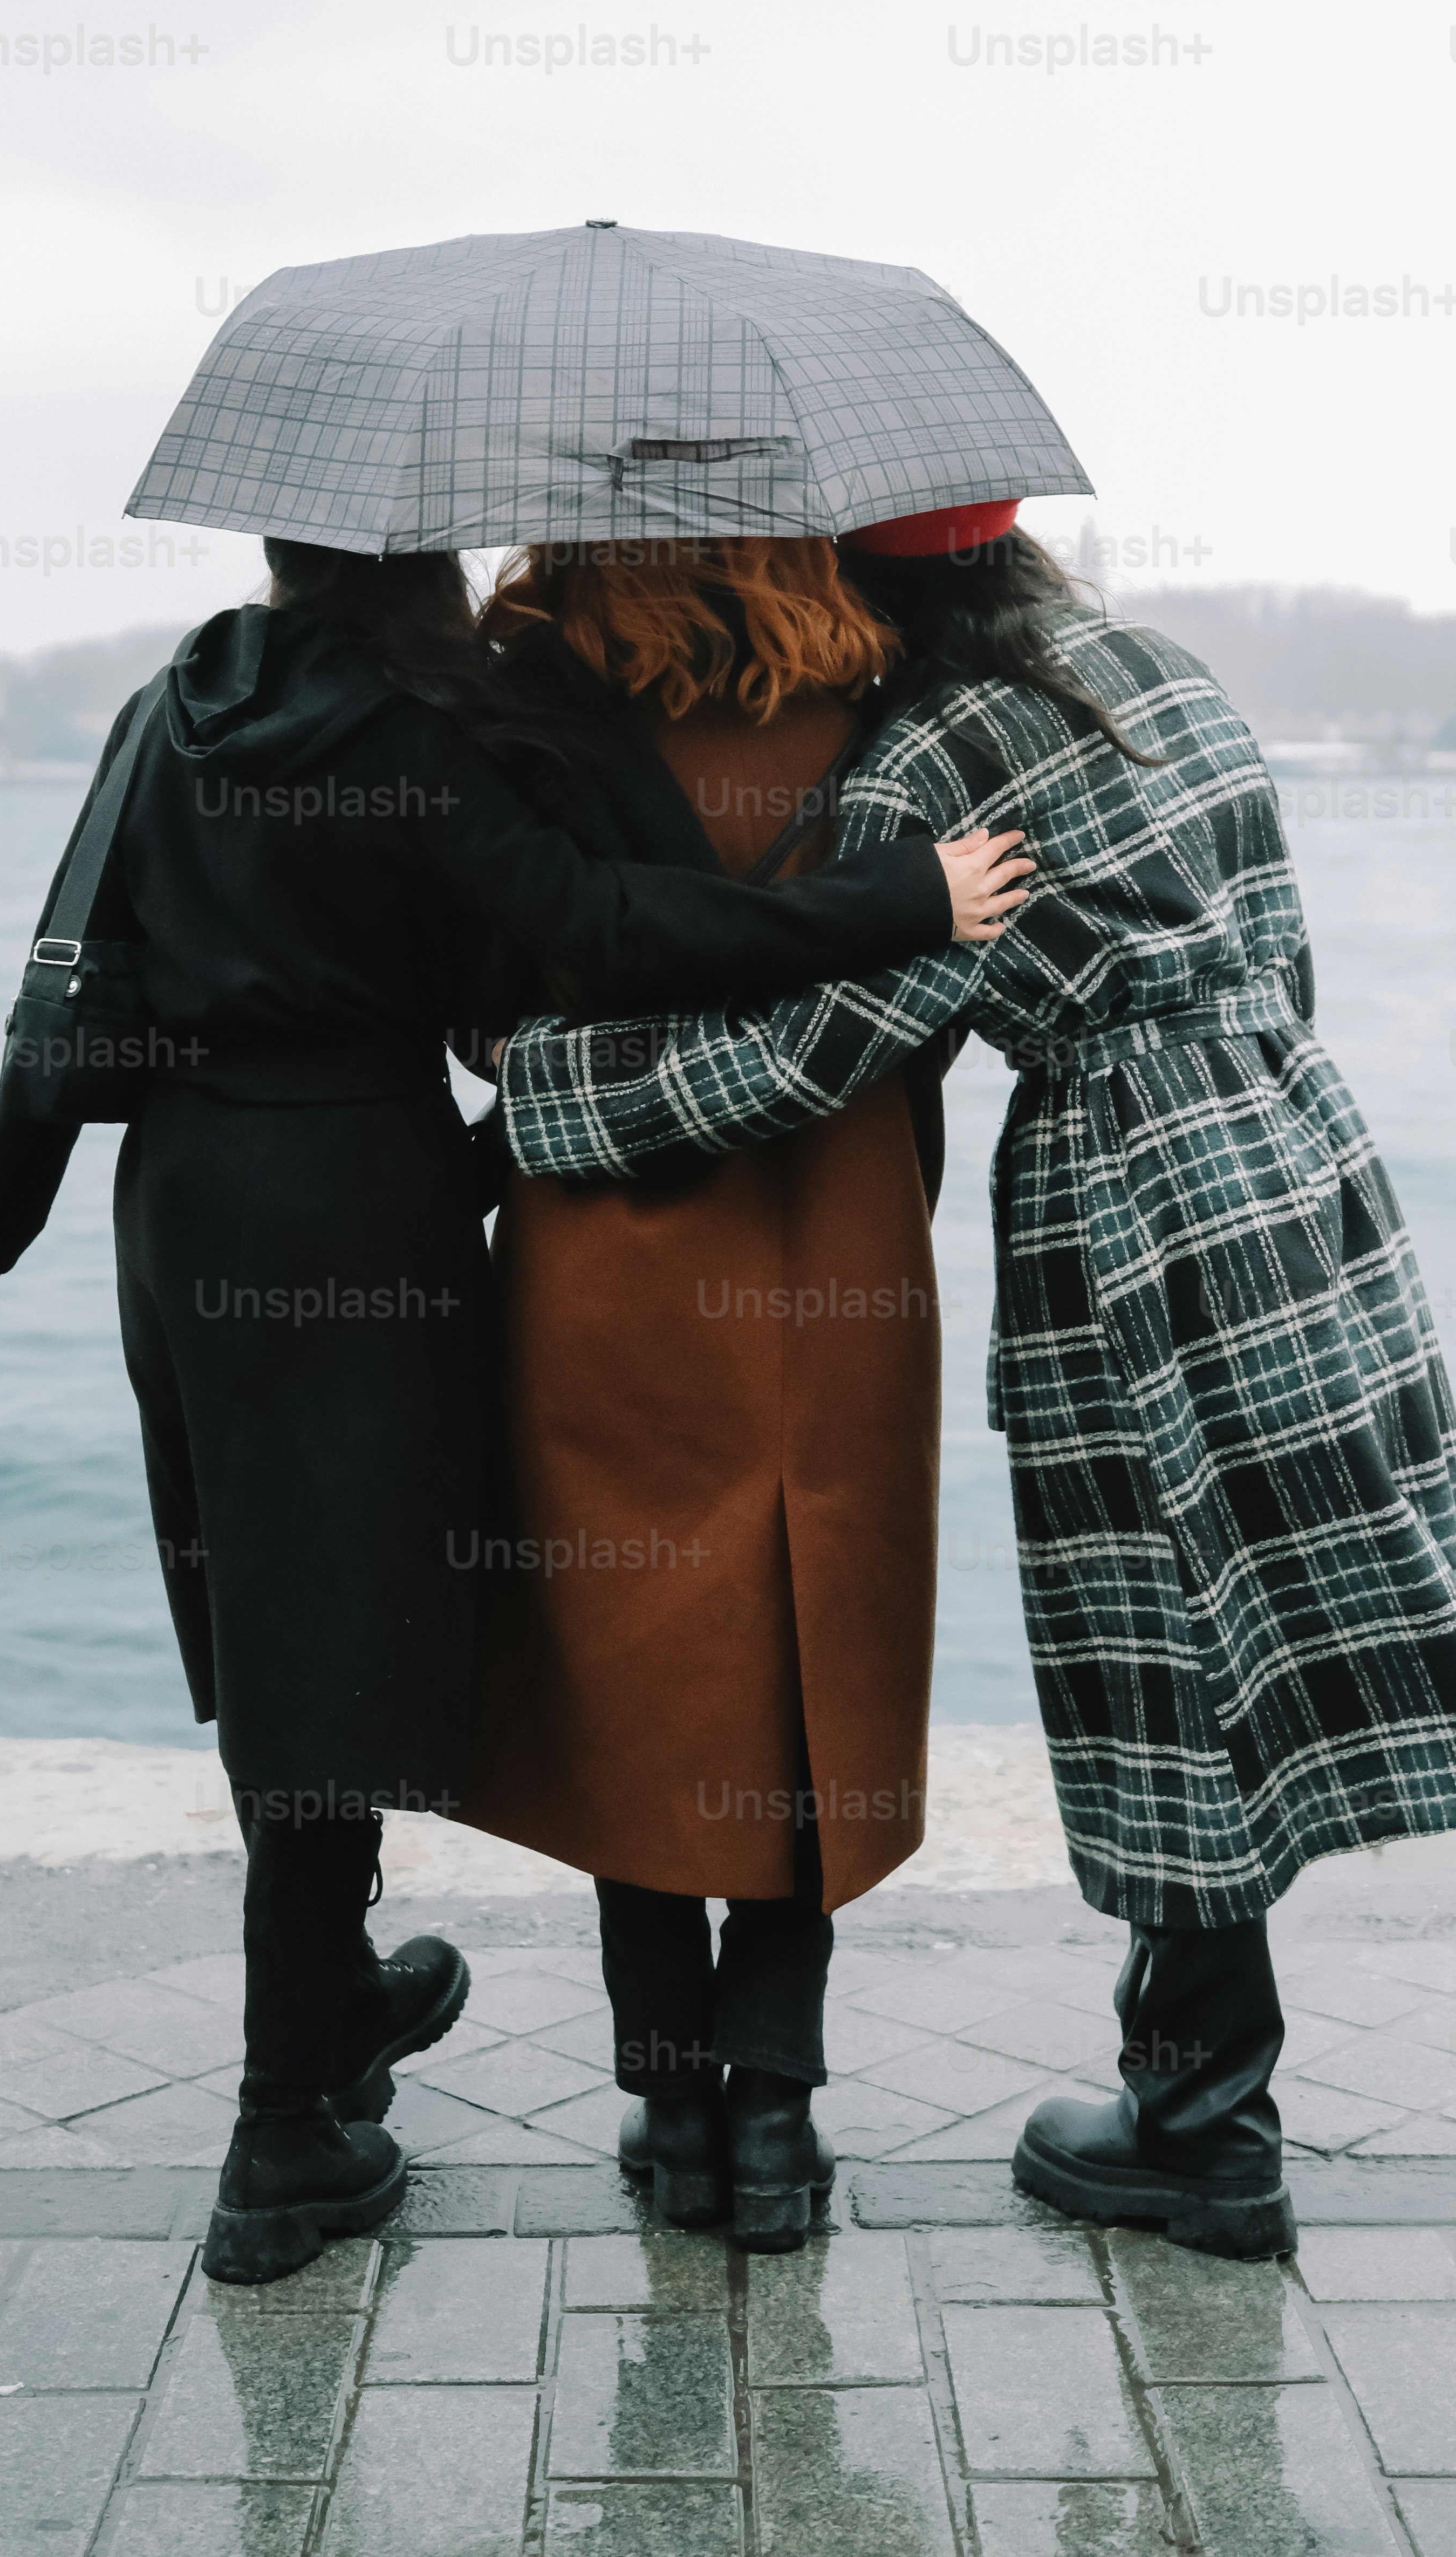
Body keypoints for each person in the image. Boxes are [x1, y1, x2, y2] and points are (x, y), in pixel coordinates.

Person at [0, 538, 1026, 2282]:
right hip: (604, 1206)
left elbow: (142, 962)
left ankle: (509, 2069)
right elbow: (668, 942)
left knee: (460, 1636)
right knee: (681, 1630)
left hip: (381, 1216)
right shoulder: (753, 711)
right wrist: (898, 910)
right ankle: (633, 2113)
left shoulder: (315, 703)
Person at [495, 505, 1456, 2262]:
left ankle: (1206, 2132)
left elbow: (823, 1045)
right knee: (1257, 1619)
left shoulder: (928, 762)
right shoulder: (1167, 673)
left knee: (1156, 1639)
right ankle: (1202, 2092)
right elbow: (1283, 933)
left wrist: (544, 1098)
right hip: (1300, 1140)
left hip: (1124, 1197)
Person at [451, 532, 1016, 2251]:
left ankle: (673, 2108)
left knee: (637, 1666)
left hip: (605, 1249)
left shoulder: (525, 705)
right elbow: (940, 998)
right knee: (809, 1655)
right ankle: (775, 2119)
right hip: (839, 1230)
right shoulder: (887, 704)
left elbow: (479, 1003)